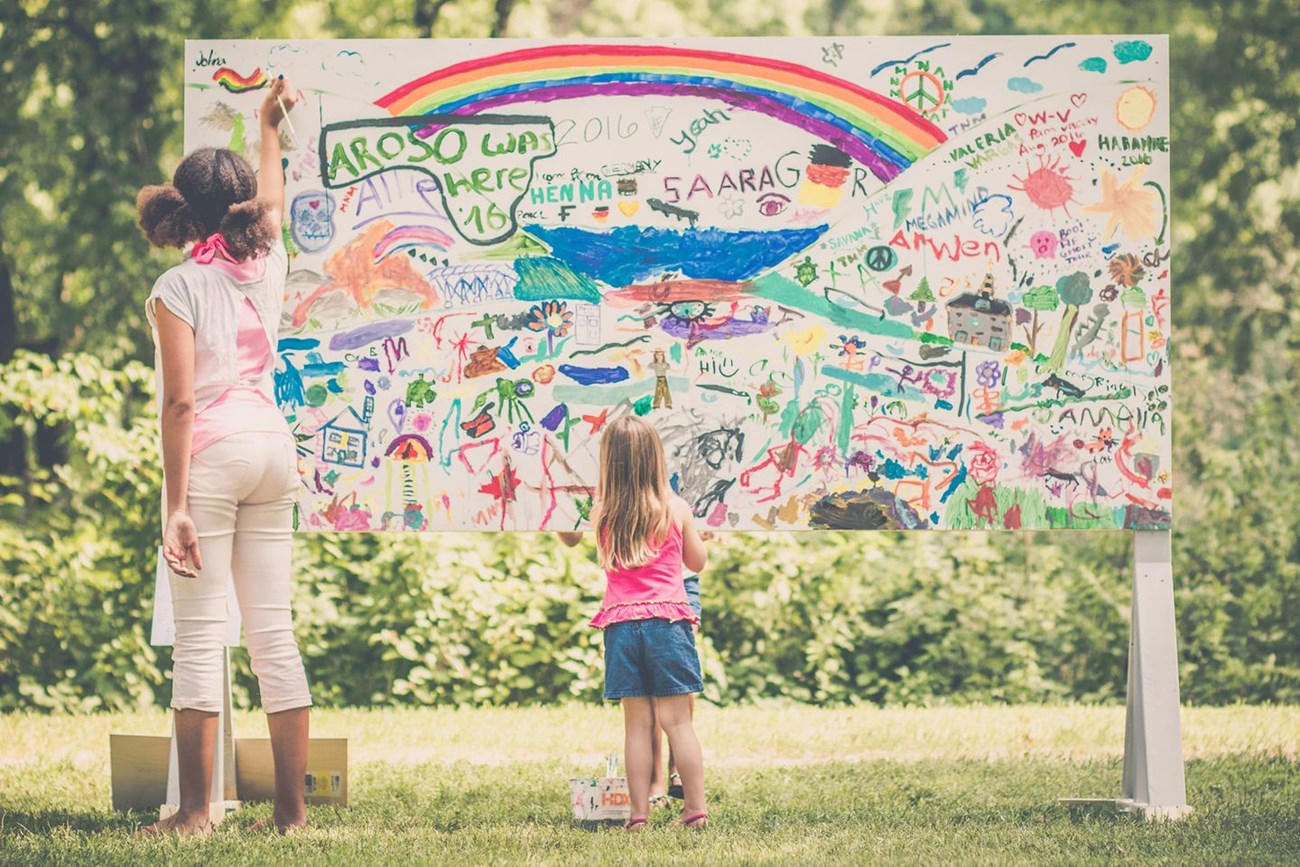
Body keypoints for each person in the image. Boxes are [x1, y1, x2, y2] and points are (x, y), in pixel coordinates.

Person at [136, 77, 310, 836]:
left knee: (201, 635)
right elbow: (270, 199)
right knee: (274, 631)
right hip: (274, 449)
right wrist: (267, 124)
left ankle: (198, 812)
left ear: (184, 208)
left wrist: (175, 504)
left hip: (212, 453)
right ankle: (291, 814)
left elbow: (179, 403)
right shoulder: (266, 263)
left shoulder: (178, 286)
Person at [587, 415, 709, 831]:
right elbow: (697, 563)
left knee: (636, 725)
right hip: (667, 623)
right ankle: (695, 809)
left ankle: (637, 815)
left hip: (621, 627)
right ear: (655, 458)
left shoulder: (603, 511)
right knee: (679, 722)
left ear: (609, 463)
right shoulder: (676, 508)